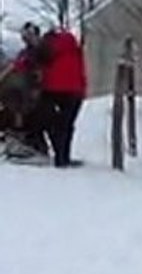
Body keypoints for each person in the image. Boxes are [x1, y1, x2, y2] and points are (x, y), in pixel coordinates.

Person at [1, 22, 87, 167]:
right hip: (75, 90)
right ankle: (62, 158)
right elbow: (81, 67)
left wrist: (8, 73)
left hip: (53, 88)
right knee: (65, 125)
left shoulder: (44, 46)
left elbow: (26, 62)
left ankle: (43, 150)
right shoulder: (71, 44)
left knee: (45, 119)